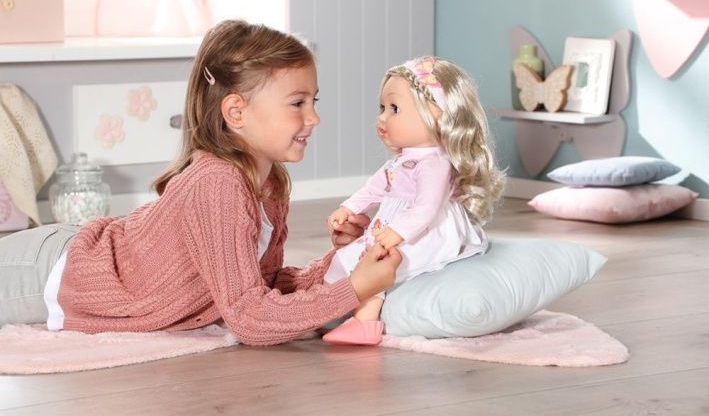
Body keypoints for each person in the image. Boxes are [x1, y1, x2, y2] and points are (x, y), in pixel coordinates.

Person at [0, 20, 402, 346]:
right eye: (297, 103)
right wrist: (351, 289)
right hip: (52, 271)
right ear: (236, 112)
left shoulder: (270, 182)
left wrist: (342, 261)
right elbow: (250, 319)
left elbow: (261, 286)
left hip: (78, 253)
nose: (313, 118)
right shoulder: (218, 184)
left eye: (314, 101)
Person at [321, 56, 505, 345]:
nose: (383, 117)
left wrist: (398, 231)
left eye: (394, 108)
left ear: (437, 114)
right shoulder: (401, 160)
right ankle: (341, 306)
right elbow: (373, 189)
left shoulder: (435, 163)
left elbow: (427, 208)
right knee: (350, 258)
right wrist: (349, 207)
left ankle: (365, 323)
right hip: (392, 225)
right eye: (382, 108)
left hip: (426, 229)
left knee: (379, 262)